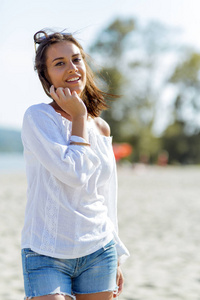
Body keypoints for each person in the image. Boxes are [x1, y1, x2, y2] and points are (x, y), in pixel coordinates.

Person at [21, 29, 129, 300]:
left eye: (77, 59)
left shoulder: (101, 127)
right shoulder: (38, 118)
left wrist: (115, 252)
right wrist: (79, 117)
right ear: (46, 77)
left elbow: (105, 195)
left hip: (98, 251)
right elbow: (75, 173)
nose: (72, 68)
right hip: (46, 253)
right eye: (59, 63)